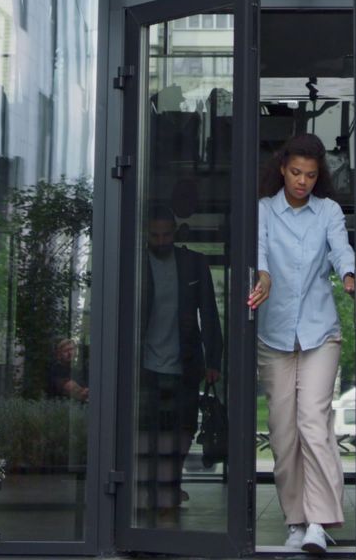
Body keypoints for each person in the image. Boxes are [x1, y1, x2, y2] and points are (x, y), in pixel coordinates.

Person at [248, 133, 355, 556]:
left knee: (313, 419)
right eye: (295, 172)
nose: (302, 181)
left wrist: (349, 274)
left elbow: (340, 249)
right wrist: (263, 274)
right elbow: (257, 251)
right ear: (282, 169)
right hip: (273, 333)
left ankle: (318, 521)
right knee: (283, 431)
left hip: (319, 332)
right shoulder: (263, 211)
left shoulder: (328, 211)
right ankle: (295, 519)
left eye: (311, 175)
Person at [136, 207, 223, 524]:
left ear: (175, 233)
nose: (160, 240)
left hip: (185, 363)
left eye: (165, 234)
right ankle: (152, 491)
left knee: (183, 432)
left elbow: (209, 313)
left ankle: (170, 487)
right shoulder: (137, 262)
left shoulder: (193, 263)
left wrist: (214, 360)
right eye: (154, 235)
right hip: (146, 366)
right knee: (150, 434)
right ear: (147, 234)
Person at [46, 337, 88, 403]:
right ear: (59, 354)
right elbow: (69, 387)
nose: (70, 353)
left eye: (71, 349)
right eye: (66, 351)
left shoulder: (80, 368)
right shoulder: (56, 369)